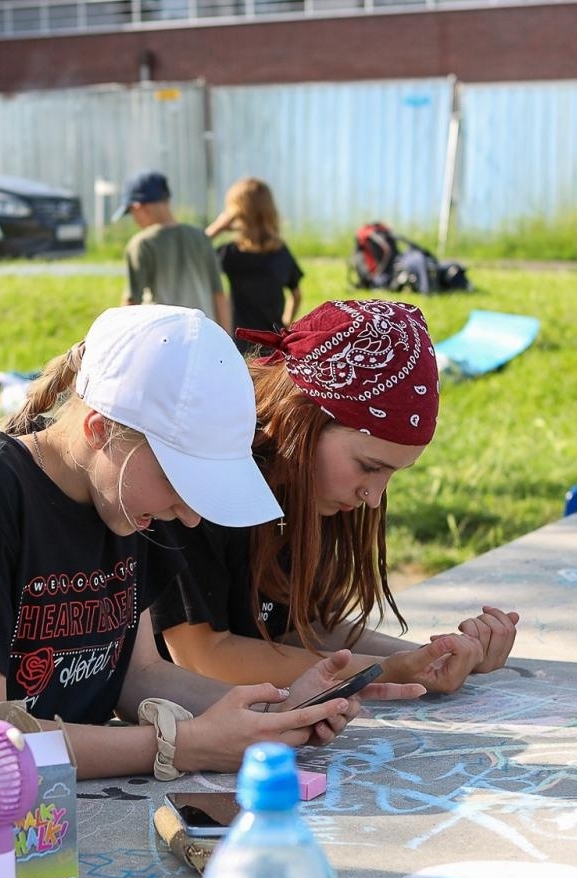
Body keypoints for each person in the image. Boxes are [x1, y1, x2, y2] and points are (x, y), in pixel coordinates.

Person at [0, 304, 425, 844]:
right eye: (183, 484)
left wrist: (271, 712)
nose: (189, 516)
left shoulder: (128, 505)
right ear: (100, 429)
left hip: (41, 826)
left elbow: (136, 676)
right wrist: (178, 746)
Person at [153, 299, 519, 692]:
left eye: (391, 475)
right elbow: (204, 658)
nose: (374, 497)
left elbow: (301, 631)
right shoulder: (199, 480)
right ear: (303, 418)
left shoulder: (306, 487)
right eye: (369, 466)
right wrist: (387, 671)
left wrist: (435, 658)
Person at [116, 169, 231, 334]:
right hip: (203, 333)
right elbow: (218, 295)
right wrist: (226, 339)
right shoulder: (200, 237)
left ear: (138, 207)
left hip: (163, 336)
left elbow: (130, 303)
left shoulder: (141, 244)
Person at [206, 177, 304, 334]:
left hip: (239, 338)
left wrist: (217, 228)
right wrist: (286, 322)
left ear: (237, 216)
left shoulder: (231, 254)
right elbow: (296, 295)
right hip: (272, 339)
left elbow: (195, 251)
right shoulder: (280, 253)